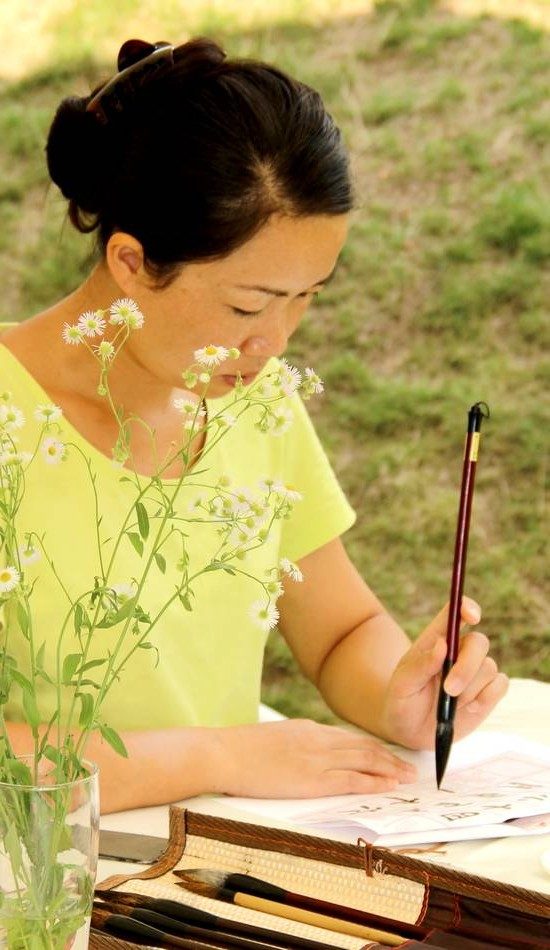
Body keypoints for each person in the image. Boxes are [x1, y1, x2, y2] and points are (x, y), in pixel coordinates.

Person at [0, 37, 508, 814]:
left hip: (214, 875)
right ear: (131, 261)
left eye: (308, 296)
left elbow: (341, 630)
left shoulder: (254, 398)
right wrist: (217, 756)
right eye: (246, 304)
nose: (274, 341)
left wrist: (399, 695)